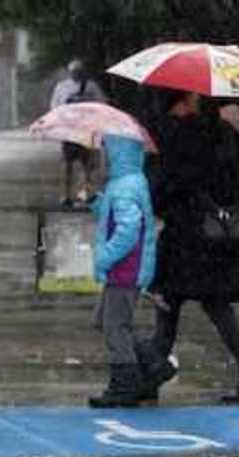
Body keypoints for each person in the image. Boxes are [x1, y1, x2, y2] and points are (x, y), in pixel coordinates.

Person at [137, 90, 239, 404]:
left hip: (187, 236)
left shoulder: (181, 135)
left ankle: (154, 370)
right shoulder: (225, 133)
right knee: (208, 305)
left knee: (173, 304)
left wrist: (159, 198)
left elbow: (167, 186)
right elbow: (235, 179)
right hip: (214, 236)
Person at [88, 134, 158, 409]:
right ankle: (153, 365)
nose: (103, 155)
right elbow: (117, 217)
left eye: (106, 149)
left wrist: (104, 259)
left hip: (124, 269)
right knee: (106, 320)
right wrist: (99, 204)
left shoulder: (125, 187)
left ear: (118, 152)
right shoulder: (126, 181)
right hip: (125, 268)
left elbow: (128, 230)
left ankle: (124, 385)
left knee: (115, 326)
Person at [50, 59, 108, 208]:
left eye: (78, 72)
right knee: (67, 165)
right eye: (74, 72)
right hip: (69, 132)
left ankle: (84, 194)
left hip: (85, 131)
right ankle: (66, 195)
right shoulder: (62, 87)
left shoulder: (91, 86)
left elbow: (102, 104)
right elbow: (55, 106)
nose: (76, 74)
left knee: (86, 165)